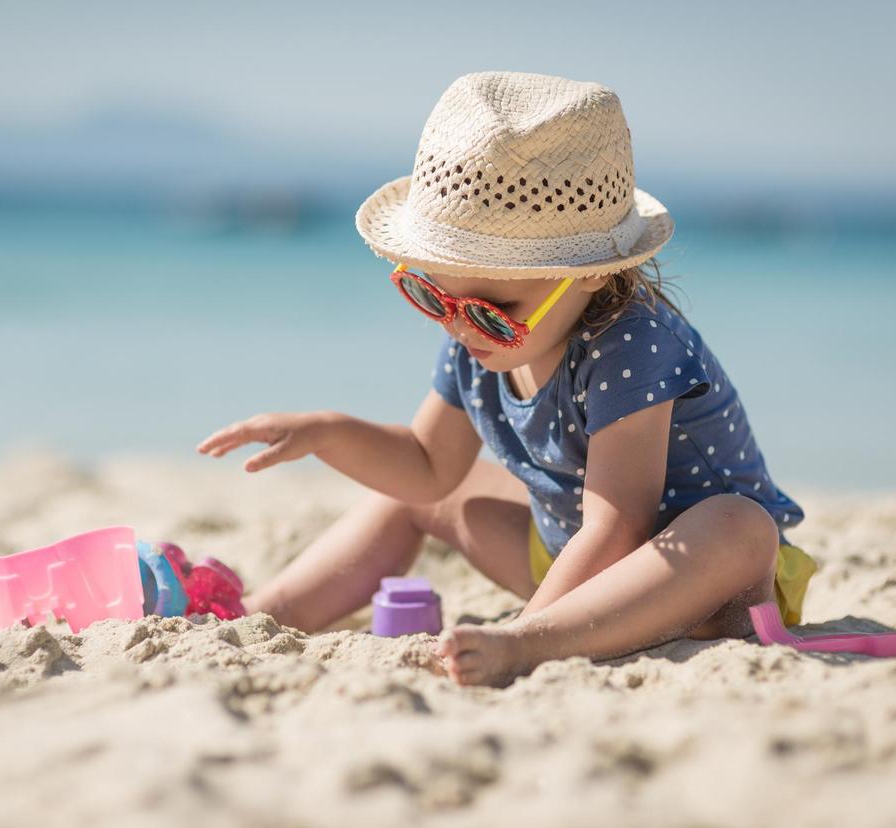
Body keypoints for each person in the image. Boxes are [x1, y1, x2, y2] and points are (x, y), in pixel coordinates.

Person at [197, 71, 819, 688]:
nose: (461, 327)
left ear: (590, 274)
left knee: (738, 525)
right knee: (419, 497)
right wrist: (328, 432)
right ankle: (258, 613)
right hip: (569, 563)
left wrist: (526, 630)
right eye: (434, 295)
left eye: (493, 311)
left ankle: (535, 642)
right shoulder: (472, 337)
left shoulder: (633, 345)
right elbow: (424, 465)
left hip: (693, 578)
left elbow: (620, 525)